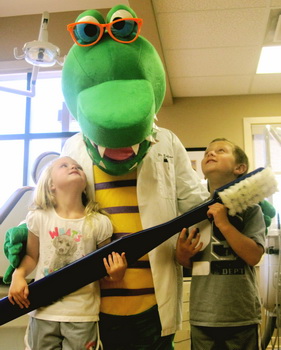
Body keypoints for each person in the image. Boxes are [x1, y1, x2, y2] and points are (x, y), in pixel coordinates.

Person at [8, 156, 127, 350]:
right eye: (64, 165)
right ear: (51, 184)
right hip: (42, 310)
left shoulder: (99, 223)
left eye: (78, 166)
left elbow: (104, 267)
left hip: (82, 314)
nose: (73, 167)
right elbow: (31, 256)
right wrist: (18, 275)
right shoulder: (38, 217)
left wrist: (117, 274)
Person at [176, 138, 266, 350]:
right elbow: (187, 263)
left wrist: (224, 223)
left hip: (240, 316)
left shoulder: (251, 210)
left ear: (240, 168)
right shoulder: (193, 212)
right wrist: (183, 255)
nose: (210, 154)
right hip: (202, 315)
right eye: (207, 152)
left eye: (220, 150)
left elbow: (253, 256)